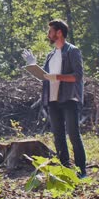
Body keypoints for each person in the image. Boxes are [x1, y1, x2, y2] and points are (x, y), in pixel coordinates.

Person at [22, 19, 87, 178]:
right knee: (58, 136)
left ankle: (82, 172)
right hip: (52, 100)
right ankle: (64, 170)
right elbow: (44, 76)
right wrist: (32, 65)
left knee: (73, 134)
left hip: (69, 99)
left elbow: (77, 76)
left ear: (59, 33)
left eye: (50, 31)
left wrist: (57, 76)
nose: (48, 35)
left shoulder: (73, 51)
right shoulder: (51, 55)